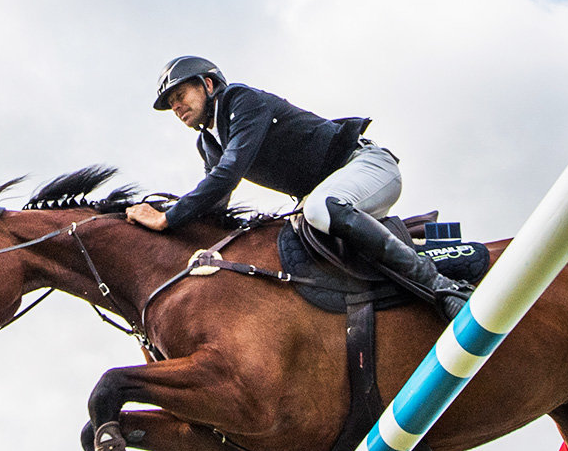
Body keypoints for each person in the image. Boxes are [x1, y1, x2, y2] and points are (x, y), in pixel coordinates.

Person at [124, 56, 470, 319]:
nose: (176, 106)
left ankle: (440, 286)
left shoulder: (241, 100)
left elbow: (226, 175)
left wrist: (168, 217)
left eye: (180, 95)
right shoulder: (208, 143)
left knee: (321, 208)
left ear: (208, 84)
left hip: (365, 166)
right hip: (325, 192)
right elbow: (217, 205)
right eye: (171, 104)